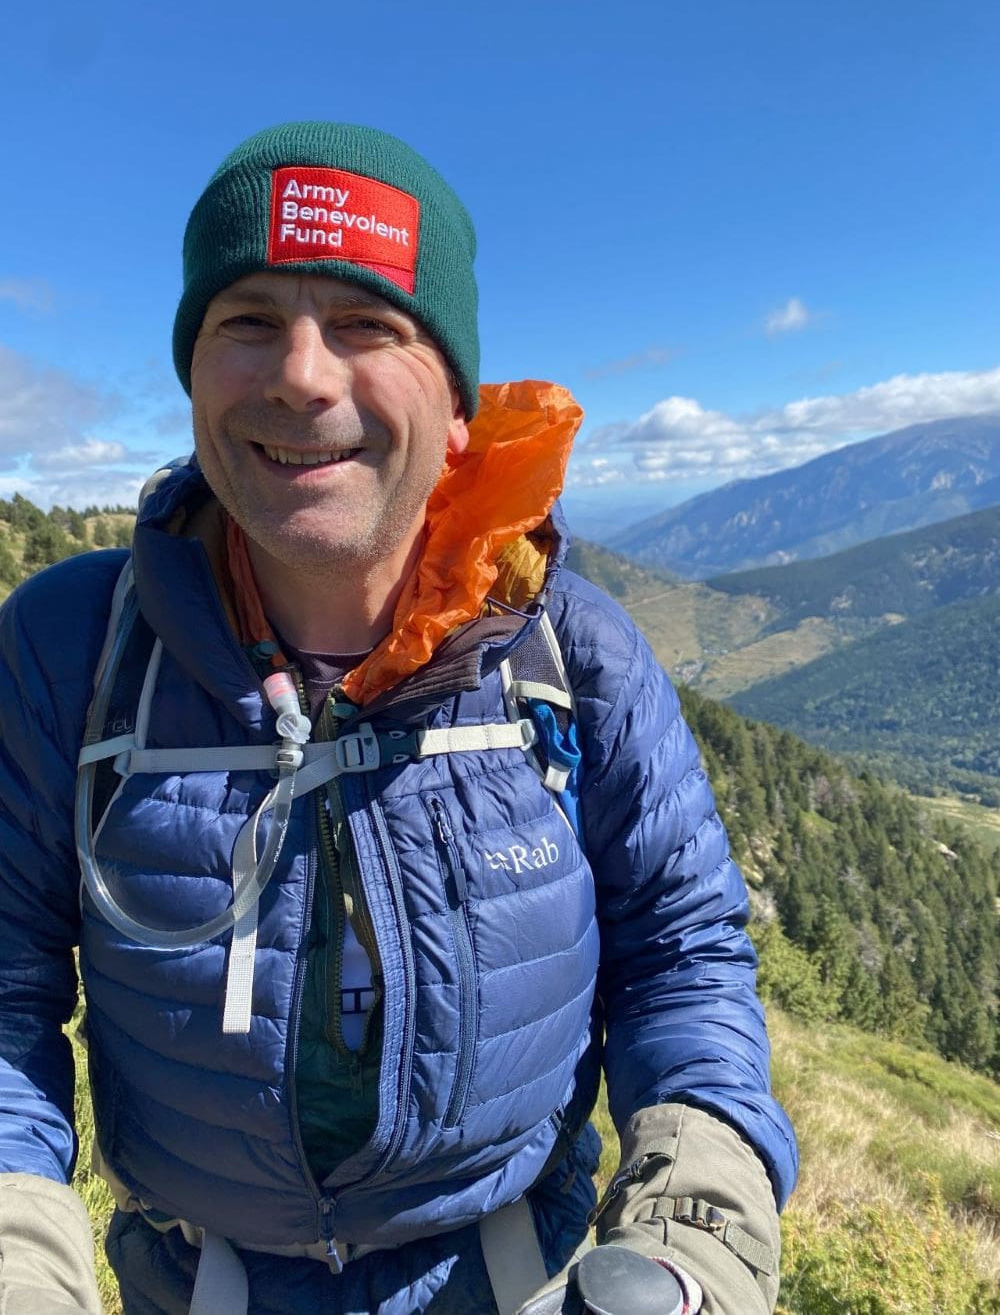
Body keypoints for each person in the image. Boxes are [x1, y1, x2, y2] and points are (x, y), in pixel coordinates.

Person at [0, 122, 797, 1315]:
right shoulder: (72, 649)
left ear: (458, 403)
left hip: (519, 1276)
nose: (302, 375)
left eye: (367, 325)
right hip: (194, 1283)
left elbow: (681, 957)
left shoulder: (571, 654)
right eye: (248, 319)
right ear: (191, 371)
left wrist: (695, 1229)